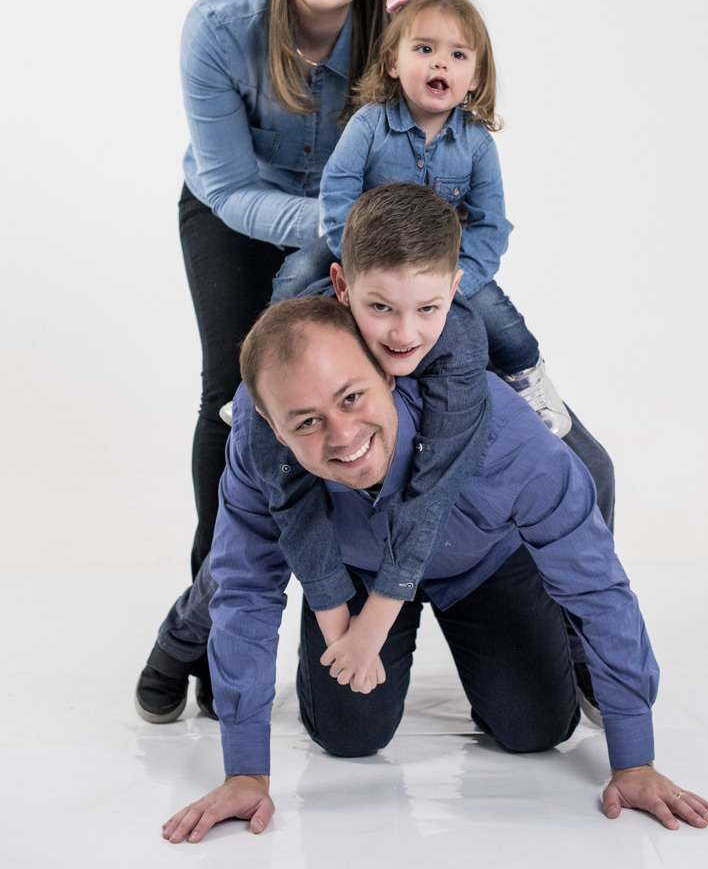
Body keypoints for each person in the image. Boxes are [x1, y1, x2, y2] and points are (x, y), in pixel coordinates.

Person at [161, 296, 708, 844]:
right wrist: (245, 771)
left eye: (352, 397)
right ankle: (171, 650)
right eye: (307, 422)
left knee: (537, 730)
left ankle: (552, 660)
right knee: (348, 736)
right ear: (272, 425)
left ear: (388, 373)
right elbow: (244, 590)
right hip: (353, 573)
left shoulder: (505, 437)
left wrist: (634, 759)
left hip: (485, 563)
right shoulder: (259, 450)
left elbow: (598, 588)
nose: (342, 435)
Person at [137, 183, 615, 719]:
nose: (403, 333)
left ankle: (578, 653)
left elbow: (432, 492)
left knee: (591, 470)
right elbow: (282, 521)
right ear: (343, 290)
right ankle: (181, 643)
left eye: (427, 309)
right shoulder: (333, 313)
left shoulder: (454, 338)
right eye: (381, 309)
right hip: (343, 241)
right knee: (257, 525)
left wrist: (372, 624)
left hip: (405, 246)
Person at [136, 0, 400, 720]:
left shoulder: (389, 36)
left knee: (335, 400)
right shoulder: (218, 24)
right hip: (231, 209)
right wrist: (335, 228)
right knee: (233, 393)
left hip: (340, 228)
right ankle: (211, 632)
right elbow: (229, 183)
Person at [271, 0, 572, 438]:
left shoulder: (476, 144)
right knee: (297, 275)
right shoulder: (369, 123)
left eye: (457, 55)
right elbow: (337, 190)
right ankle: (269, 372)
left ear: (475, 76)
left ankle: (529, 379)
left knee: (497, 315)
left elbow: (491, 223)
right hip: (362, 250)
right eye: (425, 48)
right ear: (394, 62)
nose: (440, 63)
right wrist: (349, 258)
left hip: (435, 264)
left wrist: (459, 282)